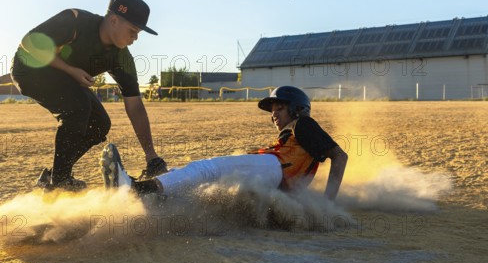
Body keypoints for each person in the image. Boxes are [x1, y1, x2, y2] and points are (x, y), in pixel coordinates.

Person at [11, 0, 168, 191]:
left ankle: (53, 176)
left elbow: (135, 105)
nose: (135, 38)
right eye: (133, 31)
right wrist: (70, 70)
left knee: (100, 125)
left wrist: (151, 156)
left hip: (65, 79)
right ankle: (60, 181)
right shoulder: (76, 21)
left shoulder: (122, 58)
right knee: (78, 108)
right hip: (30, 69)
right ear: (113, 20)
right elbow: (29, 42)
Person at [101, 86, 348, 201]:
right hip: (278, 183)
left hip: (275, 170)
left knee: (208, 169)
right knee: (204, 183)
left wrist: (327, 203)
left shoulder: (303, 123)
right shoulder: (295, 133)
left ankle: (135, 190)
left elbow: (340, 156)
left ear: (297, 110)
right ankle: (152, 199)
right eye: (273, 110)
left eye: (280, 108)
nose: (274, 114)